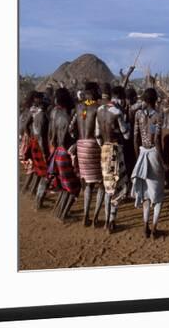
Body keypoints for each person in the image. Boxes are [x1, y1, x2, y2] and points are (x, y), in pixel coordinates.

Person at [131, 88, 166, 239]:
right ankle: (154, 229)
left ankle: (145, 226)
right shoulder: (157, 116)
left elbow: (135, 137)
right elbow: (156, 139)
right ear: (155, 99)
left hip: (142, 153)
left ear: (145, 99)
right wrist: (163, 161)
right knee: (157, 195)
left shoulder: (138, 114)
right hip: (153, 154)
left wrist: (137, 156)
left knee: (145, 193)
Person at [96, 85, 131, 233]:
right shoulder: (117, 112)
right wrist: (127, 123)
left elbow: (97, 134)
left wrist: (103, 146)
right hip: (115, 150)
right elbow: (126, 135)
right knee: (117, 187)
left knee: (107, 186)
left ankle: (106, 220)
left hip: (104, 149)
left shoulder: (99, 111)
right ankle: (111, 221)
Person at [42, 88, 81, 219]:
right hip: (65, 152)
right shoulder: (67, 116)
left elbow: (51, 135)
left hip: (57, 151)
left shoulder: (54, 112)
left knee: (65, 186)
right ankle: (63, 215)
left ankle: (59, 212)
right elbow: (68, 138)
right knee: (74, 186)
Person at [71, 82, 105, 227]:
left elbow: (70, 128)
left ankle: (86, 215)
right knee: (102, 184)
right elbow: (100, 131)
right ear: (95, 91)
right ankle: (96, 217)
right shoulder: (98, 107)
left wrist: (77, 140)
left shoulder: (78, 107)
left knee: (88, 185)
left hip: (81, 146)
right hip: (93, 146)